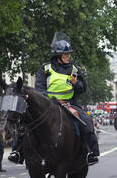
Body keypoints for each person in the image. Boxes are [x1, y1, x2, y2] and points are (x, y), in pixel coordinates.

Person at [33, 33, 100, 165]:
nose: (68, 57)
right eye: (65, 55)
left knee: (85, 121)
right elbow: (39, 87)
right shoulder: (46, 68)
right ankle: (18, 152)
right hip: (49, 104)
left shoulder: (74, 69)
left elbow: (82, 88)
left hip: (70, 104)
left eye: (69, 54)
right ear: (57, 56)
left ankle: (91, 152)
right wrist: (47, 99)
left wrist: (76, 83)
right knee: (28, 121)